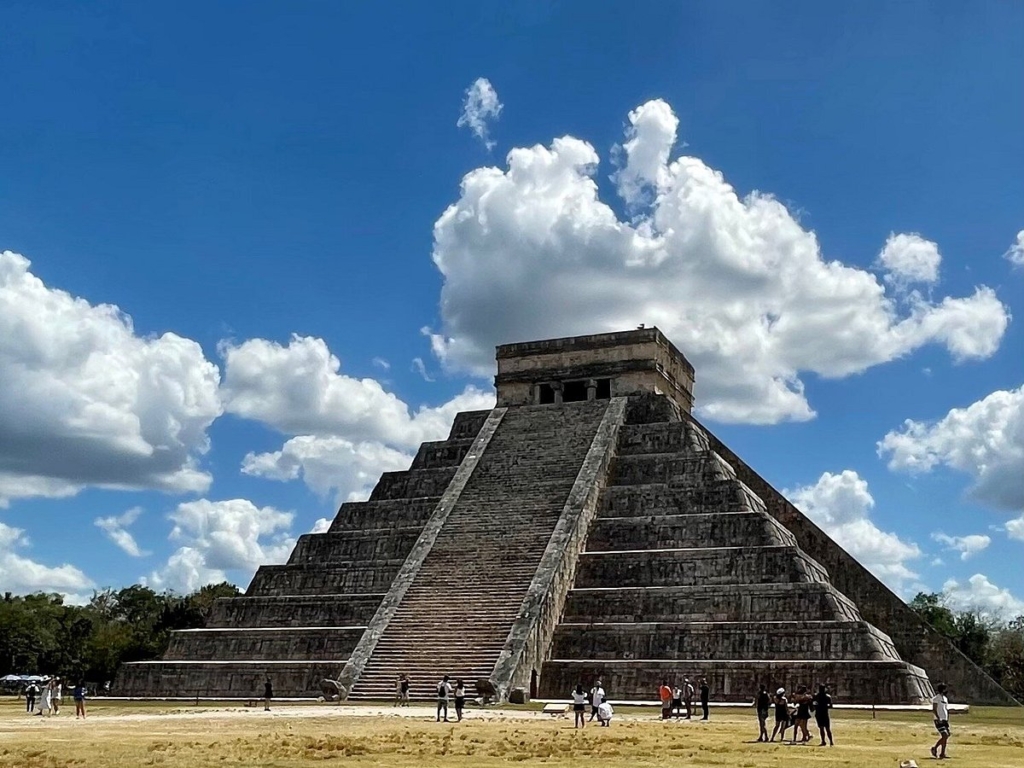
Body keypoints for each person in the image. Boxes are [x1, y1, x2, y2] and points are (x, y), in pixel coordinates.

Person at [931, 682, 951, 759]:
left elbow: (945, 709)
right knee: (945, 735)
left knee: (946, 736)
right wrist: (938, 717)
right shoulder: (936, 698)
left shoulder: (945, 699)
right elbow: (934, 709)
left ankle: (942, 753)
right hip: (938, 720)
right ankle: (935, 748)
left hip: (944, 720)